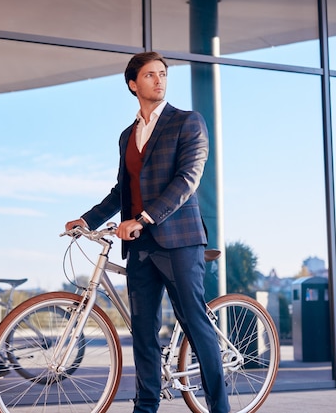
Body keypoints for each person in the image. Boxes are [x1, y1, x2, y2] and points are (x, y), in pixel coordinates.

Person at [65, 52, 229, 413]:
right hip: (138, 247)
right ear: (133, 85)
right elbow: (120, 190)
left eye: (163, 74)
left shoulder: (188, 122)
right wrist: (87, 220)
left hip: (179, 241)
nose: (159, 80)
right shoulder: (127, 136)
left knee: (194, 324)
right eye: (150, 75)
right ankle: (146, 406)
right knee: (142, 331)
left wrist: (143, 218)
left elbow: (187, 180)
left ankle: (220, 408)